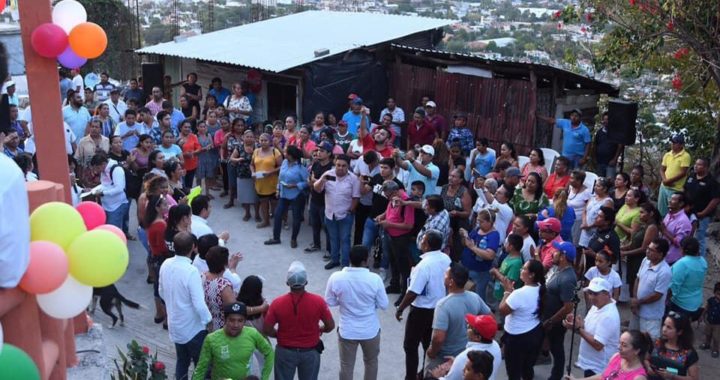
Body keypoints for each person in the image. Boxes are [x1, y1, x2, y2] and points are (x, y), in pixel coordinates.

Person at [325, 245, 389, 380]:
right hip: (370, 330)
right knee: (371, 362)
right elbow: (384, 304)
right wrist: (371, 305)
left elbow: (330, 301)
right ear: (366, 261)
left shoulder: (336, 277)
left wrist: (343, 302)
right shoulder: (375, 279)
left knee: (346, 366)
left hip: (347, 331)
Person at [264, 261, 335, 380]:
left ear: (288, 283)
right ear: (306, 282)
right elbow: (330, 325)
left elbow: (267, 329)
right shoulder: (318, 301)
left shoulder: (277, 303)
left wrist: (278, 335)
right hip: (310, 351)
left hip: (285, 351)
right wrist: (320, 329)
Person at [395, 230, 452, 380]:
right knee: (428, 343)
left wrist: (400, 308)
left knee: (410, 345)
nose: (421, 242)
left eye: (423, 240)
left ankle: (411, 377)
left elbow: (413, 291)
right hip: (437, 308)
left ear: (426, 245)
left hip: (421, 310)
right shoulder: (445, 258)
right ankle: (424, 372)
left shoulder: (423, 265)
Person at [158, 231, 212, 380]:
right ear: (193, 247)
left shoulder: (166, 264)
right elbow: (199, 304)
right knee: (202, 366)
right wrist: (209, 321)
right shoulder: (191, 271)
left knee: (182, 361)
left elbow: (161, 292)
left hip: (175, 325)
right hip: (193, 328)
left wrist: (174, 301)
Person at [426, 263, 491, 375]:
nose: (443, 277)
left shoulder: (443, 305)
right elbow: (490, 319)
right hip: (467, 354)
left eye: (445, 275)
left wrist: (431, 352)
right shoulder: (474, 297)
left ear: (451, 282)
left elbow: (438, 339)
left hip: (445, 357)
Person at [193, 302, 274, 380]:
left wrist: (265, 377)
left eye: (240, 320)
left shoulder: (252, 334)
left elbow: (269, 352)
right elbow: (201, 369)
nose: (236, 325)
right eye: (232, 320)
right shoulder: (211, 339)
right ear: (225, 320)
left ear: (245, 321)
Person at [497, 259, 545, 380]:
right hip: (534, 333)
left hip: (517, 338)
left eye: (524, 268)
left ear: (531, 274)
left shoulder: (519, 293)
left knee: (514, 372)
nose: (520, 270)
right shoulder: (540, 287)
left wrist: (507, 292)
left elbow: (502, 310)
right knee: (527, 367)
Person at [563, 277, 620, 377]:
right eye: (590, 293)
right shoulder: (596, 306)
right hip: (591, 364)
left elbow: (598, 344)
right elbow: (588, 328)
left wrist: (578, 329)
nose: (591, 297)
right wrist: (577, 324)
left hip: (600, 368)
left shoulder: (608, 315)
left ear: (607, 294)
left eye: (596, 294)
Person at [313, 154, 361, 270]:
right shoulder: (328, 174)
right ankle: (334, 260)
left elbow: (356, 197)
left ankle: (344, 264)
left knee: (345, 240)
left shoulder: (353, 179)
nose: (340, 168)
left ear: (348, 166)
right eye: (338, 165)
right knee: (333, 238)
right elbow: (317, 188)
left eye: (343, 166)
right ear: (335, 163)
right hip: (330, 214)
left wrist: (350, 211)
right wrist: (322, 180)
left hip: (345, 215)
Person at [542, 241, 578, 380]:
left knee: (557, 348)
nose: (553, 253)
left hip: (555, 321)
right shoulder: (558, 269)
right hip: (548, 316)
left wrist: (551, 321)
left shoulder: (568, 278)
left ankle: (556, 376)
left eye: (556, 251)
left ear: (563, 256)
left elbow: (568, 306)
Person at [431, 314, 501, 380]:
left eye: (470, 327)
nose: (467, 326)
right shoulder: (495, 346)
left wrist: (437, 377)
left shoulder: (463, 357)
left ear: (477, 337)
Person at [265, 145, 309, 248]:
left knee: (296, 218)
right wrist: (277, 190)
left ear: (291, 156)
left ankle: (294, 239)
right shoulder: (284, 163)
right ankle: (276, 238)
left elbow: (307, 182)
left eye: (286, 153)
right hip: (283, 194)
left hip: (296, 195)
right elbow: (280, 178)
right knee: (278, 214)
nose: (284, 154)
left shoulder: (301, 167)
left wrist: (295, 185)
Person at [564, 330, 651, 380]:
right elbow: (603, 376)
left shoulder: (638, 378)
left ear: (636, 351)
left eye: (624, 345)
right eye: (619, 343)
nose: (618, 347)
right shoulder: (616, 357)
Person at [630, 238, 672, 340]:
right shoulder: (645, 260)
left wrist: (638, 302)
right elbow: (638, 278)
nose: (647, 251)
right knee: (633, 338)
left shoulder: (664, 271)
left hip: (651, 316)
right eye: (648, 248)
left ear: (660, 254)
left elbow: (657, 295)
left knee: (648, 342)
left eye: (651, 250)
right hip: (637, 310)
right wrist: (635, 299)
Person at [622, 203, 661, 298]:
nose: (640, 215)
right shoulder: (644, 225)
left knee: (636, 286)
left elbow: (644, 248)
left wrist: (624, 253)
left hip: (639, 260)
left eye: (642, 212)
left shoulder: (652, 227)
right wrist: (622, 248)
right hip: (633, 258)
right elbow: (633, 243)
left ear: (651, 214)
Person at [460, 209, 500, 301]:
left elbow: (490, 255)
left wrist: (473, 248)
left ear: (490, 222)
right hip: (466, 267)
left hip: (480, 272)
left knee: (478, 297)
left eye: (481, 221)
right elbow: (467, 243)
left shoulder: (494, 235)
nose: (478, 223)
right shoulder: (477, 229)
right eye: (478, 221)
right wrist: (465, 235)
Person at [683, 158, 720, 258]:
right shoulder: (691, 177)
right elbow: (685, 191)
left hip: (702, 215)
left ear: (706, 167)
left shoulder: (712, 182)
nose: (695, 166)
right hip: (688, 212)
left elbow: (716, 199)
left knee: (700, 237)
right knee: (686, 235)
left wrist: (703, 212)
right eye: (695, 164)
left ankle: (700, 260)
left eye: (699, 164)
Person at [646, 313, 700, 380]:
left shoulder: (689, 353)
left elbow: (694, 378)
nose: (664, 329)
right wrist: (647, 366)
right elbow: (645, 359)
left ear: (679, 332)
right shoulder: (656, 343)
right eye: (664, 325)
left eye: (669, 327)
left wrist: (673, 377)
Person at [306, 141, 334, 254]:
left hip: (326, 202)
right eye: (318, 150)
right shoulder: (316, 164)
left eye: (322, 151)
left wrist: (314, 181)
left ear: (329, 153)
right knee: (315, 223)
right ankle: (316, 244)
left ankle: (329, 250)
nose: (318, 153)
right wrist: (311, 181)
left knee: (327, 227)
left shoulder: (332, 168)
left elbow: (330, 185)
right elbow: (310, 178)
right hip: (314, 199)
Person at [668, 237, 707, 318]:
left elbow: (673, 288)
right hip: (695, 303)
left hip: (680, 304)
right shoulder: (703, 261)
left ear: (682, 249)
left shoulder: (682, 264)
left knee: (677, 327)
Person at [91, 153, 129, 232]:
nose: (97, 171)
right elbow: (104, 184)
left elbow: (119, 188)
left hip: (117, 205)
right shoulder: (103, 171)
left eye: (97, 168)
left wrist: (103, 193)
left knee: (113, 231)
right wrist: (93, 190)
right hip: (106, 205)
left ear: (103, 164)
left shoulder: (116, 170)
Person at [201, 246, 236, 332]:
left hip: (206, 323)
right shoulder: (223, 285)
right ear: (225, 264)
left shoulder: (202, 276)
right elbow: (233, 310)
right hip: (220, 327)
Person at [251, 133, 283, 227]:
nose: (263, 142)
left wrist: (270, 172)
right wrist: (253, 172)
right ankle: (266, 221)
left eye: (265, 140)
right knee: (263, 203)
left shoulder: (275, 151)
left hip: (272, 182)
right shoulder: (256, 151)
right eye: (261, 140)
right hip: (260, 182)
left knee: (274, 203)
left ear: (270, 141)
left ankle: (278, 221)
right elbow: (252, 164)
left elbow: (281, 166)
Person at [658, 135, 692, 217]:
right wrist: (665, 180)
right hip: (664, 187)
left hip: (675, 188)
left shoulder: (685, 156)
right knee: (661, 210)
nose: (672, 145)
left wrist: (669, 181)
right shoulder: (667, 154)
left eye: (675, 143)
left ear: (681, 145)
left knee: (673, 210)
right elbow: (662, 169)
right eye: (672, 143)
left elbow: (683, 172)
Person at [660, 192, 692, 264]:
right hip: (663, 254)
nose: (670, 201)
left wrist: (664, 231)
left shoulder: (683, 221)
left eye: (673, 199)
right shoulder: (669, 214)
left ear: (681, 204)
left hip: (673, 258)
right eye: (670, 199)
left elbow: (680, 243)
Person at [491, 234, 525, 300]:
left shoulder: (516, 263)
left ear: (511, 246)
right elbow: (503, 270)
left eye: (507, 243)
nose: (505, 245)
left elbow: (509, 283)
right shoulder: (509, 255)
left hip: (505, 297)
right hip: (498, 291)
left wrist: (495, 272)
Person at [593, 112, 624, 178]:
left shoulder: (615, 132)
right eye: (604, 119)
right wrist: (595, 158)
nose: (605, 121)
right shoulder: (599, 132)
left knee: (609, 181)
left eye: (607, 119)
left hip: (610, 163)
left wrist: (615, 159)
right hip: (600, 162)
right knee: (600, 180)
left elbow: (620, 146)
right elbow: (595, 145)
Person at [567, 170, 592, 244]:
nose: (570, 180)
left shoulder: (586, 192)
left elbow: (588, 208)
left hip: (578, 221)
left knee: (574, 242)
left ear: (579, 181)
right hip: (568, 218)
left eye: (572, 178)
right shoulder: (570, 187)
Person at [178, 119, 201, 189]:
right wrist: (185, 154)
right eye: (185, 127)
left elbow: (199, 147)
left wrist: (193, 152)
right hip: (181, 166)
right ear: (181, 127)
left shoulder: (193, 136)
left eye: (189, 127)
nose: (187, 129)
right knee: (181, 186)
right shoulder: (177, 137)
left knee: (189, 185)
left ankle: (189, 199)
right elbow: (175, 151)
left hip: (192, 165)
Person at [700, 282, 720, 358]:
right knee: (707, 334)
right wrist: (702, 316)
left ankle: (715, 349)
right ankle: (707, 344)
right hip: (709, 321)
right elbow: (706, 308)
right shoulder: (711, 300)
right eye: (718, 294)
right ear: (714, 292)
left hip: (718, 324)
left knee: (716, 337)